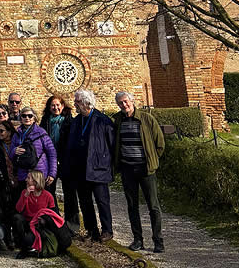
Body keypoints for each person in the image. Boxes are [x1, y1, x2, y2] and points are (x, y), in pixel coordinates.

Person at [112, 91, 165, 253]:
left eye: (126, 101)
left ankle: (158, 240)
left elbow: (160, 144)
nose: (124, 105)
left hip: (145, 169)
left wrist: (151, 160)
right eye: (120, 103)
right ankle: (138, 240)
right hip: (128, 169)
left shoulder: (146, 119)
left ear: (132, 101)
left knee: (153, 206)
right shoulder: (118, 121)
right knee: (132, 206)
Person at [64, 90, 115, 242]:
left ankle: (107, 230)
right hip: (80, 169)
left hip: (98, 167)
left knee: (102, 201)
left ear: (86, 103)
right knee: (85, 202)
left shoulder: (102, 120)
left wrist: (107, 162)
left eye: (77, 102)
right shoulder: (76, 121)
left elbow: (112, 144)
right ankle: (92, 230)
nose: (75, 104)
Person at [13, 171, 71, 258]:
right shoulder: (24, 192)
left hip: (39, 226)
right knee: (17, 218)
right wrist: (26, 195)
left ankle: (30, 245)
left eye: (28, 178)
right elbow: (18, 209)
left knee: (28, 240)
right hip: (27, 222)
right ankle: (22, 246)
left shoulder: (48, 195)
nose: (26, 180)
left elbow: (53, 214)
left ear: (35, 181)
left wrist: (44, 220)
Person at [40, 95, 75, 229]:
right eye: (52, 105)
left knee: (69, 193)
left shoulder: (69, 121)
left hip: (66, 160)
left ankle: (72, 224)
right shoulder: (45, 121)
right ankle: (55, 220)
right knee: (49, 190)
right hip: (50, 161)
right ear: (49, 107)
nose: (55, 108)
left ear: (63, 106)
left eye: (58, 105)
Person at [8, 106, 57, 189]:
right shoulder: (17, 134)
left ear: (34, 118)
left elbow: (52, 154)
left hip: (39, 175)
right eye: (24, 116)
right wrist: (14, 151)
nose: (27, 118)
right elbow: (10, 155)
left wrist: (52, 174)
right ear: (21, 118)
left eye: (30, 116)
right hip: (23, 176)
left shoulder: (41, 133)